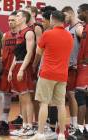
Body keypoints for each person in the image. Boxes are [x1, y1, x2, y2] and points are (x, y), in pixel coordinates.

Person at [31, 10, 73, 140]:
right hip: (62, 74)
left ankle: (40, 133)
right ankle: (61, 134)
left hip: (47, 73)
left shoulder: (47, 34)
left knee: (44, 103)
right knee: (61, 105)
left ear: (52, 19)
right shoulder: (69, 36)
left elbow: (38, 51)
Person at [8, 10, 35, 137]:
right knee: (21, 99)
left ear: (24, 19)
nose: (15, 18)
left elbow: (29, 53)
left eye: (18, 16)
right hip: (17, 66)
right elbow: (16, 54)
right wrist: (11, 69)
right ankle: (24, 125)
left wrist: (22, 69)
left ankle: (29, 126)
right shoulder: (19, 33)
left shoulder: (29, 32)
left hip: (24, 67)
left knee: (26, 99)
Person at [62, 6, 84, 137]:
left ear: (70, 14)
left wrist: (79, 62)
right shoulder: (65, 29)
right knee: (69, 96)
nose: (63, 19)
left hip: (77, 67)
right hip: (67, 67)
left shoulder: (79, 27)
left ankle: (76, 124)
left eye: (65, 16)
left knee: (73, 95)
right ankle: (73, 123)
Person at [0, 11, 18, 135]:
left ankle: (28, 124)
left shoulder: (23, 35)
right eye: (9, 20)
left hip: (18, 70)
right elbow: (2, 54)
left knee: (24, 97)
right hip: (6, 70)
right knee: (6, 97)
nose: (10, 22)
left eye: (13, 20)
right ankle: (4, 121)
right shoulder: (5, 35)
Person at [73, 3, 88, 139]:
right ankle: (86, 130)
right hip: (82, 66)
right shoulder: (85, 27)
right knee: (85, 99)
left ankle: (79, 130)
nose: (78, 14)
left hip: (85, 67)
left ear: (86, 11)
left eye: (80, 11)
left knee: (80, 96)